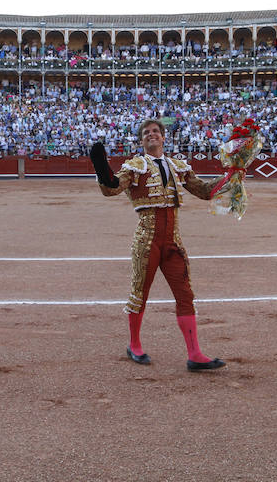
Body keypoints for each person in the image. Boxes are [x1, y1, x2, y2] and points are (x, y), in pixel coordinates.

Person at [90, 119, 226, 372]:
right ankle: (134, 344)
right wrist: (101, 168)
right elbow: (111, 189)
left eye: (155, 132)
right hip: (147, 239)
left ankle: (195, 354)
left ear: (163, 138)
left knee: (185, 295)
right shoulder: (134, 167)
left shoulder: (178, 166)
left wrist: (231, 176)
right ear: (141, 141)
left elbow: (205, 191)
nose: (151, 135)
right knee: (139, 293)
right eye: (146, 133)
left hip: (173, 242)